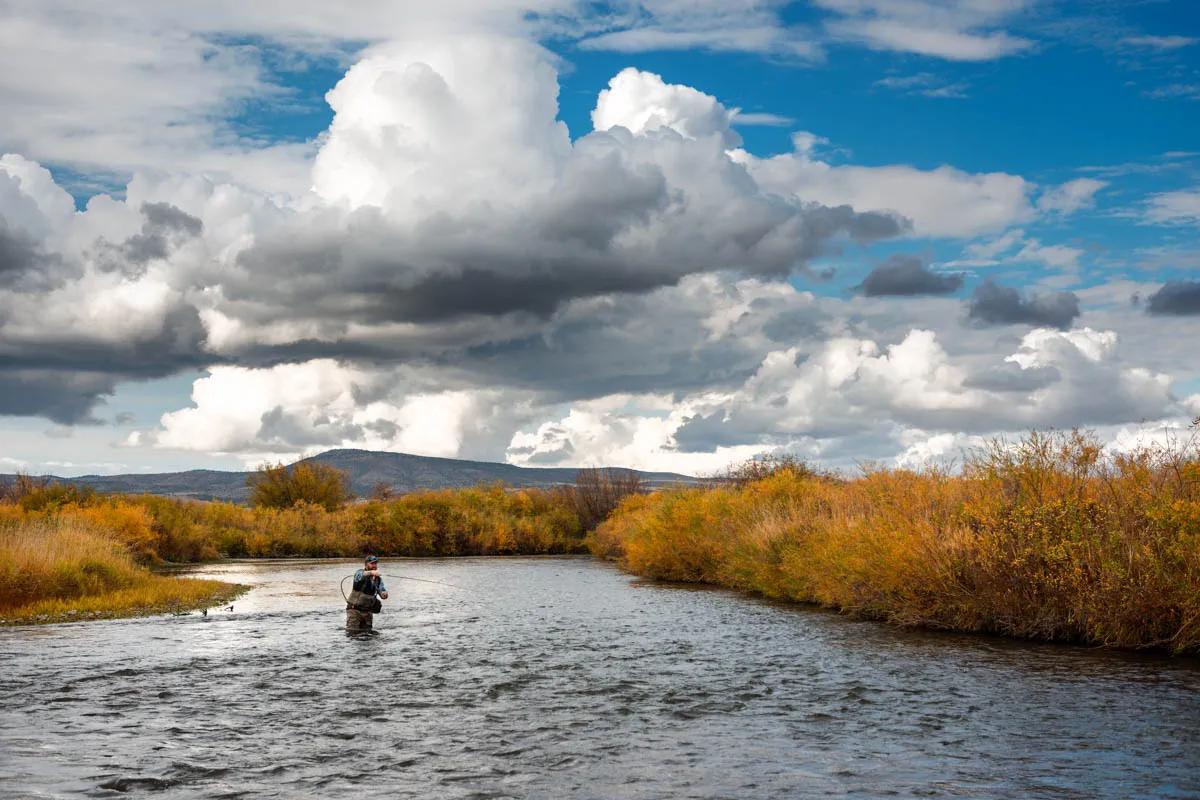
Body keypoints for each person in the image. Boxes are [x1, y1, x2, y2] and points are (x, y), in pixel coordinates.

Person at [346, 555, 389, 632]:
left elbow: (382, 592)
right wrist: (371, 572)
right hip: (354, 611)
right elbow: (360, 575)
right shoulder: (359, 572)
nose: (374, 565)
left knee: (367, 636)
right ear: (366, 564)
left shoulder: (378, 579)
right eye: (372, 563)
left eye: (375, 564)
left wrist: (384, 594)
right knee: (352, 634)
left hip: (368, 613)